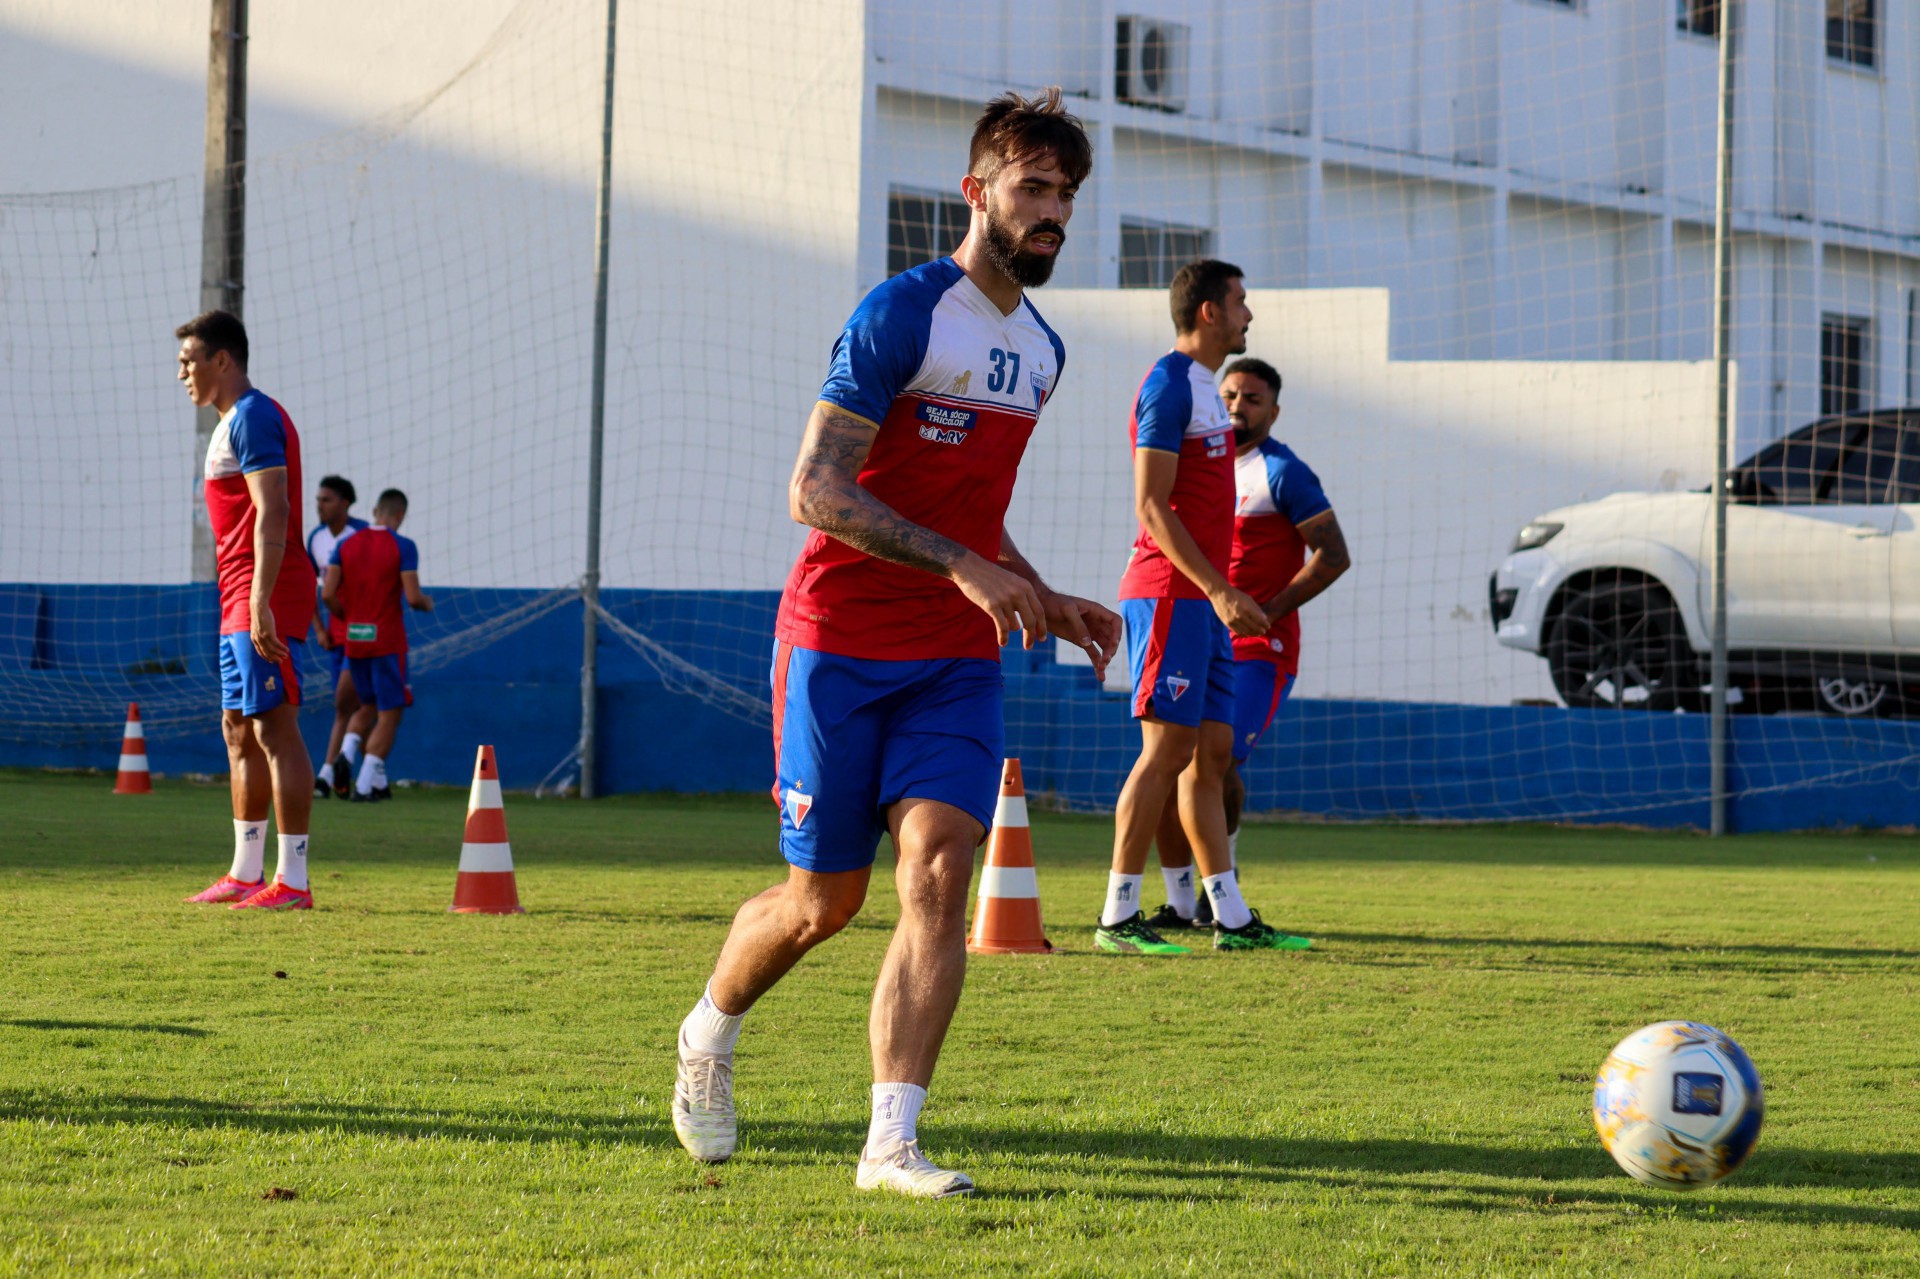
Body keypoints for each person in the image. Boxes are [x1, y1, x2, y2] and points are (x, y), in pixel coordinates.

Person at [670, 88, 1117, 1199]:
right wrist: (967, 564)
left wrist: (1040, 591)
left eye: (1066, 193)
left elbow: (969, 512)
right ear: (977, 193)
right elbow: (814, 491)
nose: (1053, 211)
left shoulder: (1045, 351)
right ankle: (709, 1031)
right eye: (1033, 188)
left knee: (939, 869)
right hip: (836, 644)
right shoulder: (902, 314)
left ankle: (891, 1145)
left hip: (954, 659)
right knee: (823, 904)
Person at [1098, 261, 1306, 955]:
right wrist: (1218, 589)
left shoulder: (1209, 392)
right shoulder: (1167, 384)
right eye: (1242, 301)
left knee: (1210, 755)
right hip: (1170, 593)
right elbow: (1151, 506)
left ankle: (1232, 918)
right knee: (1164, 752)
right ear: (1211, 311)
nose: (1251, 313)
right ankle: (1117, 916)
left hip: (1206, 602)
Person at [1145, 357, 1350, 929]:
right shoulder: (1202, 465)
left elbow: (1334, 556)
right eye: (1230, 395)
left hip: (1262, 649)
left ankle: (1221, 886)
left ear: (1274, 410)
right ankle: (1181, 901)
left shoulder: (1282, 472)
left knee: (1215, 760)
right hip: (1195, 632)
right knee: (1166, 761)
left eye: (1253, 398)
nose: (1238, 406)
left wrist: (1267, 612)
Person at [177, 310, 318, 911]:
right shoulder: (228, 422)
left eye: (190, 360)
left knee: (273, 728)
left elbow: (275, 510)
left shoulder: (256, 416)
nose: (182, 372)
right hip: (236, 593)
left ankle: (293, 882)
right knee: (238, 730)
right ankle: (245, 872)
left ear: (223, 361)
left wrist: (261, 599)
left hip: (267, 591)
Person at [322, 489, 432, 802]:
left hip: (355, 639)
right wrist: (425, 603)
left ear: (374, 511)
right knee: (391, 713)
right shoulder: (403, 546)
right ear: (400, 516)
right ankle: (365, 784)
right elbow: (412, 597)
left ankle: (346, 754)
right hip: (386, 639)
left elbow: (328, 594)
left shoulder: (345, 544)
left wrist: (350, 616)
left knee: (365, 706)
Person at [305, 475, 373, 799]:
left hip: (361, 631)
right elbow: (310, 590)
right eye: (318, 499)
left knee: (346, 701)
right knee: (353, 706)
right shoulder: (316, 538)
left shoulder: (362, 535)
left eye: (326, 499)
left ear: (345, 503)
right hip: (333, 636)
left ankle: (329, 771)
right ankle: (366, 773)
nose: (319, 505)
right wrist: (319, 628)